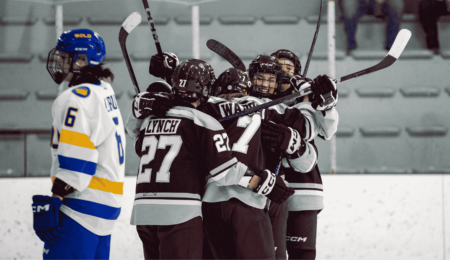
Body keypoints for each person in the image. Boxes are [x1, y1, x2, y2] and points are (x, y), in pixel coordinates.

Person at [127, 59, 286, 259]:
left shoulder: (150, 120)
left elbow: (136, 141)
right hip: (181, 211)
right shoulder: (204, 122)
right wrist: (262, 181)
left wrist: (144, 103)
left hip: (142, 211)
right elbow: (224, 173)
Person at [31, 29, 125, 259]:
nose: (59, 62)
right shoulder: (105, 91)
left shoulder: (74, 99)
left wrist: (56, 197)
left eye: (65, 57)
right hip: (107, 208)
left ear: (81, 60)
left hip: (81, 208)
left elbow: (79, 160)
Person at [269, 50, 339, 260]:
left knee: (302, 254)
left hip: (304, 188)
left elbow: (327, 131)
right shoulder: (260, 101)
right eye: (278, 67)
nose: (283, 72)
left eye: (288, 68)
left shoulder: (308, 100)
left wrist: (327, 104)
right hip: (267, 191)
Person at [338, 0, 405, 51]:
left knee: (397, 3)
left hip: (382, 4)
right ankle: (351, 47)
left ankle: (391, 47)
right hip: (359, 2)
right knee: (349, 2)